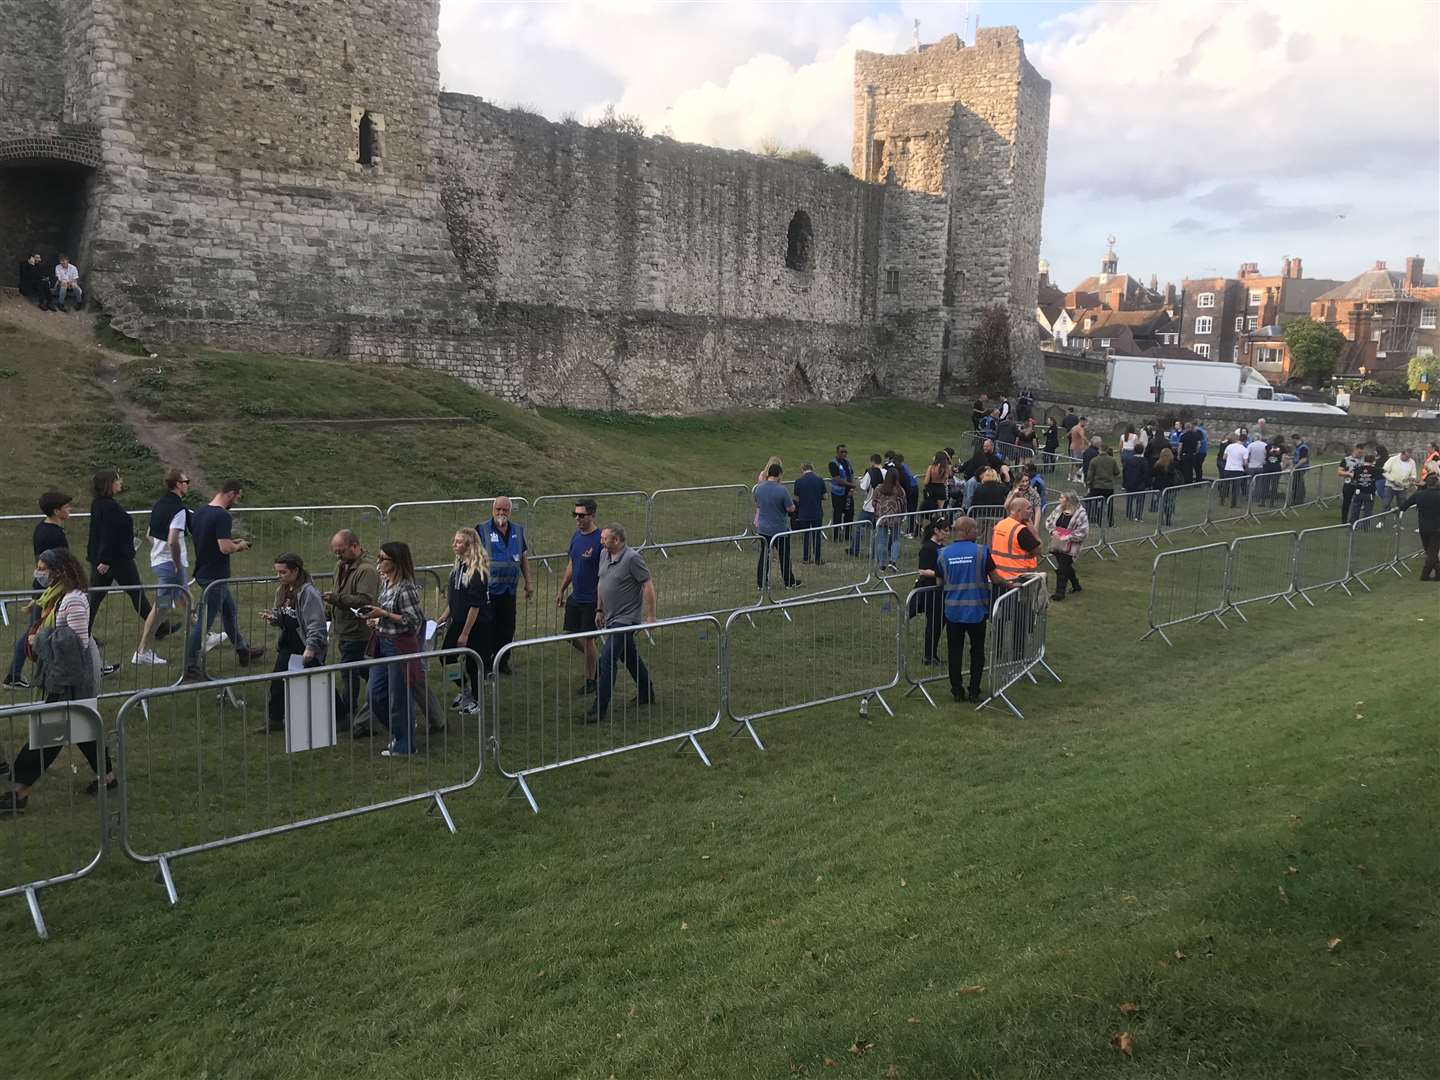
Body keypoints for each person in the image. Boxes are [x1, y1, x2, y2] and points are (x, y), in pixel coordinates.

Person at [0, 549, 112, 813]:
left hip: (70, 680)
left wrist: (38, 640)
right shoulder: (58, 596)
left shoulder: (73, 600)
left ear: (59, 570)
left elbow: (76, 643)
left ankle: (20, 792)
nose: (39, 573)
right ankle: (108, 778)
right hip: (65, 675)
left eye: (43, 567)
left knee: (47, 735)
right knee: (84, 728)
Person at [184, 480, 264, 677]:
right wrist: (238, 546)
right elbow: (224, 548)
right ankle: (190, 666)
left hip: (203, 571)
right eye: (237, 497)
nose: (236, 501)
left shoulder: (200, 512)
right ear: (231, 493)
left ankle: (243, 650)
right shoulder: (222, 515)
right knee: (205, 622)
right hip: (215, 575)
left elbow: (208, 541)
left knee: (229, 612)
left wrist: (231, 541)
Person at [585, 524, 658, 722]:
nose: (600, 541)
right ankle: (646, 692)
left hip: (626, 620)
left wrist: (651, 616)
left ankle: (599, 709)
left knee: (607, 659)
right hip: (610, 616)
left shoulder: (632, 559)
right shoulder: (603, 555)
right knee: (629, 655)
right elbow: (601, 582)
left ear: (616, 541)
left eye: (604, 538)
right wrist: (599, 609)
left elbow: (647, 585)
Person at [361, 542, 425, 757]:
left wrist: (384, 615)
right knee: (375, 694)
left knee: (399, 697)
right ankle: (402, 732)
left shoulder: (406, 588)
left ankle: (406, 744)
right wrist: (376, 620)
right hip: (383, 642)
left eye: (383, 559)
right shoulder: (386, 583)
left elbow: (414, 621)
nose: (378, 563)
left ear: (396, 562)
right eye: (378, 558)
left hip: (400, 646)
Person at [4, 491, 71, 690]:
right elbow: (57, 564)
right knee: (36, 631)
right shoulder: (53, 534)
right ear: (56, 511)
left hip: (45, 587)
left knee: (40, 629)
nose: (70, 510)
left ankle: (16, 674)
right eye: (66, 507)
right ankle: (14, 674)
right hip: (50, 589)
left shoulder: (41, 528)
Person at [86, 470, 153, 666]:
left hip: (111, 559)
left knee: (102, 596)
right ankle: (156, 625)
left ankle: (156, 625)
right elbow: (108, 534)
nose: (120, 482)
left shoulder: (100, 504)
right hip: (116, 561)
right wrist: (105, 559)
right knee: (133, 593)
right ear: (109, 484)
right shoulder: (108, 507)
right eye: (117, 480)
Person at [262, 553, 328, 732]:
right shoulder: (283, 590)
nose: (279, 576)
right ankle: (275, 719)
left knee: (316, 683)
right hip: (288, 645)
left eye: (283, 572)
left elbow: (316, 622)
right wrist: (275, 618)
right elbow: (285, 614)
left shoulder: (308, 593)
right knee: (278, 682)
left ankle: (339, 716)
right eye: (277, 572)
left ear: (295, 571)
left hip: (304, 646)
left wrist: (311, 647)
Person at [132, 467, 191, 666]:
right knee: (161, 608)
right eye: (186, 481)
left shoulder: (159, 504)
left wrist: (161, 549)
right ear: (178, 485)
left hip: (160, 560)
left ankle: (204, 634)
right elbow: (173, 540)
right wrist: (175, 563)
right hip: (171, 566)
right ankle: (142, 651)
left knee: (185, 598)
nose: (187, 484)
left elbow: (150, 533)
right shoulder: (179, 509)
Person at [323, 529, 379, 735]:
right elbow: (337, 589)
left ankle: (348, 713)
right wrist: (329, 611)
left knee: (349, 671)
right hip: (344, 628)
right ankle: (382, 697)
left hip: (358, 631)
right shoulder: (341, 565)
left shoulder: (367, 570)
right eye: (335, 551)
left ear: (355, 546)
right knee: (362, 670)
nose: (338, 555)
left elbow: (366, 600)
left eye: (342, 550)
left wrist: (337, 599)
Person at [939, 516, 998, 704]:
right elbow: (995, 578)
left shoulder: (943, 553)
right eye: (975, 529)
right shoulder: (982, 552)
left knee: (954, 652)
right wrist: (1011, 585)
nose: (977, 532)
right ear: (965, 531)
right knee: (977, 652)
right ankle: (974, 690)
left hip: (953, 612)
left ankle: (956, 691)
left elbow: (940, 581)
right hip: (976, 611)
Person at [440, 529, 490, 716]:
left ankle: (477, 700)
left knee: (473, 662)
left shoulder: (477, 571)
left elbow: (475, 606)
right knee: (446, 657)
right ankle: (465, 688)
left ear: (470, 546)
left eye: (459, 542)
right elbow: (455, 598)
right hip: (459, 621)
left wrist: (465, 633)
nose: (454, 544)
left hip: (476, 624)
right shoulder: (458, 566)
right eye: (454, 540)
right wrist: (444, 617)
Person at [480, 496, 531, 676]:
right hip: (488, 591)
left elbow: (523, 557)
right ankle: (486, 664)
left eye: (505, 510)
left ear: (510, 511)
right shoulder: (481, 529)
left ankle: (502, 662)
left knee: (507, 628)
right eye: (498, 509)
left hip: (509, 591)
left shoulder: (517, 530)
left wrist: (528, 583)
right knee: (487, 629)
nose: (501, 513)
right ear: (492, 510)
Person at [556, 500, 601, 692]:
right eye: (574, 514)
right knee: (570, 635)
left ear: (591, 515)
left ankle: (592, 679)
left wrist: (601, 606)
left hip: (592, 599)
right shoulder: (576, 536)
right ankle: (599, 663)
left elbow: (605, 573)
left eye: (581, 515)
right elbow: (572, 563)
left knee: (589, 639)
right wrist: (562, 589)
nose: (577, 518)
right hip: (576, 596)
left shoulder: (600, 539)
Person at [754, 463, 799, 591]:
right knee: (784, 556)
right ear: (779, 474)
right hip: (779, 529)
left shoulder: (758, 488)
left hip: (763, 528)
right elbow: (790, 508)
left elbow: (757, 502)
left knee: (764, 555)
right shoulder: (781, 489)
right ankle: (789, 582)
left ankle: (761, 582)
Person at [912, 519, 948, 665]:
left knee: (939, 624)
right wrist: (941, 574)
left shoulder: (942, 547)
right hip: (931, 591)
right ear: (936, 531)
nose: (947, 533)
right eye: (945, 530)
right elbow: (922, 570)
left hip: (941, 590)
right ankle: (928, 656)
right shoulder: (928, 548)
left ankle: (932, 654)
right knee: (933, 624)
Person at [990, 497, 1042, 591]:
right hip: (1018, 578)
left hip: (998, 577)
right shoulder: (1021, 530)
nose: (1031, 511)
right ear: (1019, 511)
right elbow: (1038, 550)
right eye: (1028, 508)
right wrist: (1034, 532)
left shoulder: (1000, 524)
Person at [1045, 492, 1088, 600]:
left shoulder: (1081, 513)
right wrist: (1052, 531)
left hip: (1072, 545)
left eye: (1062, 498)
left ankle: (1059, 593)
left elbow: (1083, 532)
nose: (1059, 499)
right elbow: (1049, 521)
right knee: (1065, 566)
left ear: (1068, 500)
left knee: (1062, 568)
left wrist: (1068, 537)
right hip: (1058, 543)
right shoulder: (1059, 509)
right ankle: (1076, 585)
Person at [1399, 474, 1440, 581]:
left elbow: (1404, 506)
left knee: (1429, 551)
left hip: (1423, 527)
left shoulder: (1419, 495)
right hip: (1437, 527)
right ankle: (1424, 575)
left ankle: (1437, 574)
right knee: (1433, 553)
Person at [871, 469, 908, 570]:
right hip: (896, 518)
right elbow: (904, 504)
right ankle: (893, 561)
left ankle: (882, 564)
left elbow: (873, 502)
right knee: (895, 540)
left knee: (881, 541)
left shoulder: (879, 488)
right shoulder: (900, 490)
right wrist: (903, 515)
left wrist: (878, 511)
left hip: (882, 518)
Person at [851, 453, 885, 557]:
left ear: (872, 462)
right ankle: (875, 554)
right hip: (881, 507)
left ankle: (855, 550)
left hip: (869, 507)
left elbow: (863, 486)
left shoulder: (870, 473)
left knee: (858, 528)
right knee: (877, 532)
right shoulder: (886, 472)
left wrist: (861, 479)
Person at [793, 463, 828, 564]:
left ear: (802, 469)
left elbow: (797, 498)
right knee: (817, 536)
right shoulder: (820, 480)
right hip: (817, 512)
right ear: (813, 469)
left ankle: (806, 558)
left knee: (806, 536)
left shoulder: (798, 481)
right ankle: (817, 558)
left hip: (804, 513)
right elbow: (825, 497)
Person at [1085, 445, 1120, 528]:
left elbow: (1090, 475)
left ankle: (1099, 522)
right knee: (1110, 505)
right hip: (1109, 486)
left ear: (1099, 450)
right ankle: (1111, 522)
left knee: (1098, 504)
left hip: (1097, 486)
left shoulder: (1094, 461)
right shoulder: (1112, 460)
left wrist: (1088, 484)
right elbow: (1117, 472)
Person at [827, 445, 856, 544]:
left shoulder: (848, 462)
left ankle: (848, 535)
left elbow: (851, 475)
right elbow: (837, 480)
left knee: (849, 514)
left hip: (848, 493)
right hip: (838, 494)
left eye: (845, 452)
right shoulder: (833, 464)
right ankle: (836, 536)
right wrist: (851, 485)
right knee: (837, 515)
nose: (844, 454)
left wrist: (851, 489)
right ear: (837, 452)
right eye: (842, 452)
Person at [1122, 447, 1152, 522]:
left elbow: (1124, 471)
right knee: (1140, 501)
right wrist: (1147, 483)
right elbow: (1146, 473)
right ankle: (1138, 516)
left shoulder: (1128, 460)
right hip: (1140, 484)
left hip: (1130, 483)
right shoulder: (1144, 461)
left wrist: (1125, 482)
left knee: (1130, 500)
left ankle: (1129, 515)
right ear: (1143, 451)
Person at [1338, 443, 1365, 524]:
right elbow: (1339, 472)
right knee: (1346, 502)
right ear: (1355, 450)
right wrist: (1349, 474)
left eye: (1362, 453)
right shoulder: (1346, 460)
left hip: (1360, 485)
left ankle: (1354, 521)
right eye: (1359, 452)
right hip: (1349, 484)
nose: (1361, 454)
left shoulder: (1364, 460)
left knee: (1358, 504)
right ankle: (1344, 521)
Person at [1348, 453, 1379, 525]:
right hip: (1369, 493)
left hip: (1358, 491)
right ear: (1373, 461)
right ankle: (1365, 526)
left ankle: (1352, 524)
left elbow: (1352, 475)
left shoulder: (1358, 469)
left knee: (1355, 509)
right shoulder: (1375, 469)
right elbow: (1383, 473)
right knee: (1368, 510)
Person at [1151, 448, 1179, 526]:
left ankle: (1161, 520)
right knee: (1170, 504)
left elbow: (1153, 474)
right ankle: (1168, 520)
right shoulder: (1173, 464)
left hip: (1159, 486)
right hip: (1170, 487)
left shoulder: (1158, 464)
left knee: (1161, 504)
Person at [920, 451, 951, 521]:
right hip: (941, 490)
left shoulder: (931, 467)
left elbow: (926, 482)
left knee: (926, 509)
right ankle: (938, 524)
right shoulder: (946, 468)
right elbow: (946, 479)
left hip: (932, 489)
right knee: (939, 511)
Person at [1221, 435, 1249, 507]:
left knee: (1225, 486)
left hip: (1228, 468)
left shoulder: (1229, 446)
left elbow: (1224, 457)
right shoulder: (1244, 449)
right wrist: (1246, 468)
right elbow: (1245, 462)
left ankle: (1222, 501)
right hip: (1238, 470)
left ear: (1238, 439)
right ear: (1245, 441)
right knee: (1235, 488)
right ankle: (1233, 503)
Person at [1290, 433, 1311, 505]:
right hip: (1298, 467)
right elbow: (1297, 457)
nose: (1292, 442)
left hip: (1301, 468)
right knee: (1296, 483)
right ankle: (1295, 499)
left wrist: (1295, 467)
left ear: (1295, 439)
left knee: (1298, 484)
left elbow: (1303, 459)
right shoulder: (1298, 446)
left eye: (1292, 440)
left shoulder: (1303, 447)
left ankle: (1298, 500)